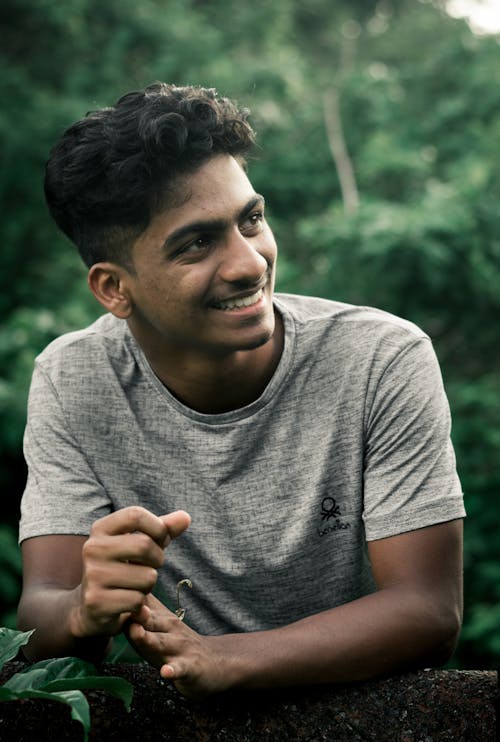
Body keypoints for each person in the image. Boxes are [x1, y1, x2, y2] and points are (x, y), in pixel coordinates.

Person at [17, 82, 465, 699]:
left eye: (250, 219)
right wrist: (81, 611)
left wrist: (227, 659)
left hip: (368, 721)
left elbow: (428, 610)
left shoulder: (380, 359)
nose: (251, 263)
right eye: (196, 243)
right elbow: (37, 620)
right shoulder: (73, 380)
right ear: (114, 288)